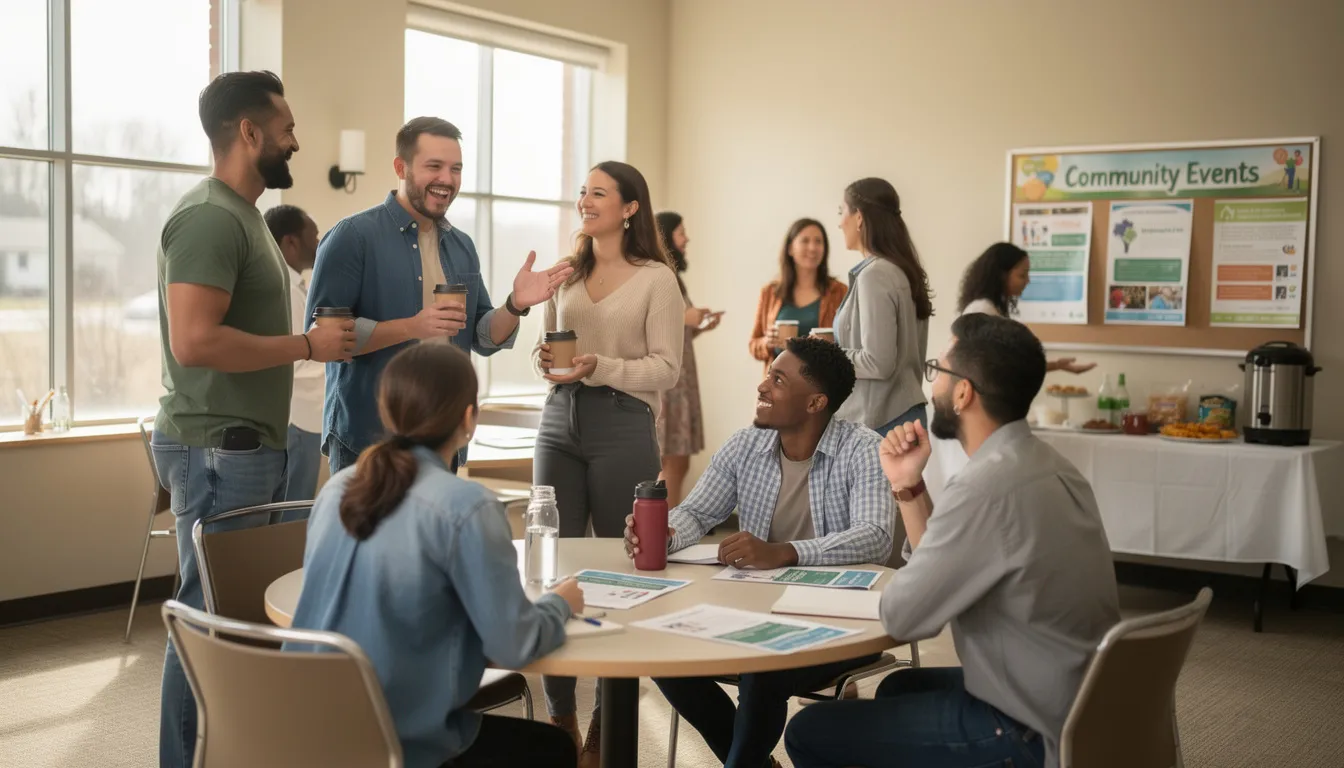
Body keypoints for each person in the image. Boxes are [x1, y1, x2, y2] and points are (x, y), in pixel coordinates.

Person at [783, 313, 1121, 768]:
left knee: (810, 730)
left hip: (1023, 727)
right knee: (898, 687)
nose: (932, 386)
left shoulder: (986, 487)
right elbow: (945, 568)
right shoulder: (1050, 465)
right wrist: (908, 485)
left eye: (937, 372)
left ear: (963, 393)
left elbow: (905, 616)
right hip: (1081, 700)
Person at [153, 70, 355, 768]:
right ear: (250, 132)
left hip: (246, 449)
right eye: (287, 128)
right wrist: (305, 346)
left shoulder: (245, 218)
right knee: (207, 626)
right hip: (219, 452)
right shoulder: (210, 217)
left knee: (232, 626)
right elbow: (194, 340)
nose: (295, 141)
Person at [286, 343, 583, 768]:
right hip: (395, 744)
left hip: (303, 730)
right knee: (553, 750)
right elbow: (514, 645)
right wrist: (560, 604)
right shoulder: (467, 506)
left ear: (388, 413)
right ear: (468, 418)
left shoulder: (337, 488)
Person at [624, 335, 893, 768]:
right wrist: (663, 533)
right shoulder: (745, 445)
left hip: (843, 623)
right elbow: (696, 511)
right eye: (769, 374)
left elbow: (874, 535)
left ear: (815, 403)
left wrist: (783, 552)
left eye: (779, 380)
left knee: (764, 667)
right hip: (756, 613)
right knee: (664, 649)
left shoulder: (863, 449)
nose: (763, 386)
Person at [306, 116, 573, 474]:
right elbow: (325, 340)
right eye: (434, 166)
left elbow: (481, 336)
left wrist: (515, 305)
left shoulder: (462, 246)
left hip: (443, 439)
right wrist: (411, 327)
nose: (447, 179)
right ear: (401, 167)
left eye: (456, 168)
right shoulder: (352, 237)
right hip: (369, 440)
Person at [532, 160, 684, 766]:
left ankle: (606, 720)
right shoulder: (567, 275)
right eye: (582, 192)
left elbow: (667, 368)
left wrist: (603, 366)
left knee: (621, 566)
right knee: (555, 562)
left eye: (598, 193)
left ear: (629, 208)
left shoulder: (656, 281)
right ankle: (561, 714)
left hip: (623, 422)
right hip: (558, 420)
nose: (584, 201)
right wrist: (551, 363)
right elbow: (547, 355)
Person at [833, 178, 932, 436]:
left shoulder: (874, 275)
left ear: (859, 217)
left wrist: (830, 353)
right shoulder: (902, 270)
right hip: (904, 417)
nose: (839, 222)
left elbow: (878, 362)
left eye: (841, 211)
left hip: (881, 424)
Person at [655, 211, 722, 506]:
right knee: (671, 462)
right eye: (681, 232)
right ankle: (662, 528)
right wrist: (685, 318)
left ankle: (665, 526)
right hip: (669, 382)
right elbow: (652, 324)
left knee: (677, 462)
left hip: (681, 378)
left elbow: (676, 335)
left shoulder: (674, 277)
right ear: (666, 236)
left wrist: (697, 326)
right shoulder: (657, 275)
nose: (686, 238)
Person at [264, 204, 326, 505]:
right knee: (294, 512)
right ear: (291, 242)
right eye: (313, 236)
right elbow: (292, 360)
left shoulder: (295, 285)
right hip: (298, 419)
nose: (319, 243)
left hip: (306, 418)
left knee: (295, 510)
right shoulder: (282, 289)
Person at [957, 242, 1095, 374]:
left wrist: (1057, 365)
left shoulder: (991, 309)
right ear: (1001, 275)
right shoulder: (982, 310)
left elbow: (1009, 366)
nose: (1027, 281)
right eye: (1022, 275)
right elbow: (986, 370)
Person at [748, 218, 847, 373]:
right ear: (790, 249)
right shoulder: (770, 293)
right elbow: (753, 344)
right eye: (805, 241)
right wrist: (768, 342)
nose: (813, 247)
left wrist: (830, 344)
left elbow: (851, 343)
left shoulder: (839, 292)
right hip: (779, 385)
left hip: (822, 383)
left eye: (819, 241)